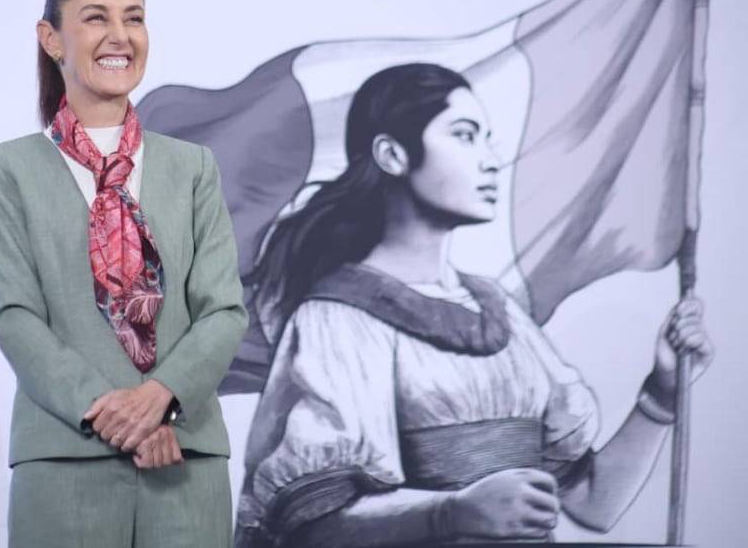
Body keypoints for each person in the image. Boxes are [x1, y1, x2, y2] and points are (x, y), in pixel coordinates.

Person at [233, 63, 714, 546]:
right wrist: (451, 513)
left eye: (487, 138)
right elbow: (312, 529)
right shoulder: (339, 319)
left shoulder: (499, 312)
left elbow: (593, 502)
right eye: (465, 136)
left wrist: (662, 393)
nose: (490, 160)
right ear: (392, 154)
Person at [0, 0, 248, 548]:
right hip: (65, 460)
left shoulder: (193, 167)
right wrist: (119, 415)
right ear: (51, 38)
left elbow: (223, 309)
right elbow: (14, 316)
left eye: (134, 18)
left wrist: (159, 401)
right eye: (96, 18)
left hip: (186, 462)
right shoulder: (5, 170)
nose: (120, 36)